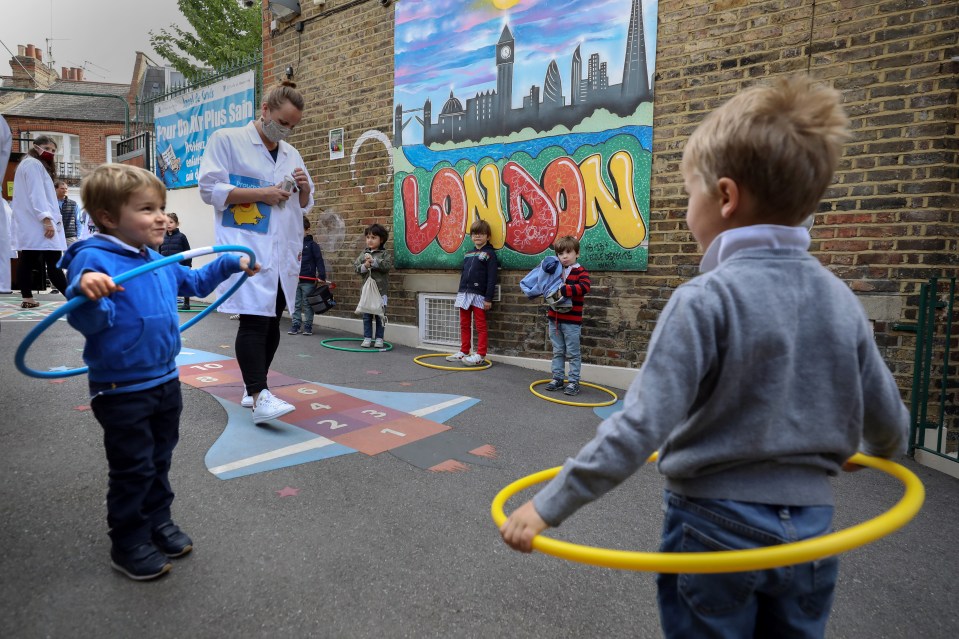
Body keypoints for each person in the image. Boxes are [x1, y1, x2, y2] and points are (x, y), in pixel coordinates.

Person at [499, 75, 910, 638]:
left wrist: (548, 506)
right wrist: (864, 451)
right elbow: (891, 425)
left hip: (715, 524)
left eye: (688, 194)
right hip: (812, 531)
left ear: (724, 197)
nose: (686, 210)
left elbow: (640, 426)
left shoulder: (704, 299)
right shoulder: (839, 299)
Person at [58, 164, 259, 580]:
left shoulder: (155, 259)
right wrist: (88, 292)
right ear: (110, 218)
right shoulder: (93, 260)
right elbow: (91, 322)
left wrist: (231, 264)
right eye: (147, 209)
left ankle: (157, 520)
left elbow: (197, 282)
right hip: (121, 386)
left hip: (166, 380)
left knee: (160, 458)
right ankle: (128, 540)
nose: (162, 217)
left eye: (162, 208)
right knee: (133, 466)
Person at [198, 81, 314, 424]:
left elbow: (305, 206)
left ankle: (254, 391)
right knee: (253, 318)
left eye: (292, 126)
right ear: (264, 110)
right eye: (282, 121)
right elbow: (209, 188)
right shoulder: (227, 140)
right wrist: (261, 193)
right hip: (246, 245)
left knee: (272, 318)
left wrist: (304, 189)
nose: (286, 130)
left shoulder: (291, 153)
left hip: (283, 250)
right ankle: (260, 393)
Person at [12, 135, 67, 308]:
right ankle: (74, 298)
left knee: (29, 259)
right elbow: (37, 194)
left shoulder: (27, 164)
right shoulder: (33, 165)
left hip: (32, 223)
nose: (50, 153)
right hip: (39, 223)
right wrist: (46, 219)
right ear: (36, 147)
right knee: (54, 260)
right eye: (47, 148)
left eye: (53, 150)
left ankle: (27, 298)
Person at [542, 236, 591, 396]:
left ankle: (573, 381)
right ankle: (557, 378)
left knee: (573, 352)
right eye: (560, 253)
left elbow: (585, 287)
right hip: (554, 319)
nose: (564, 256)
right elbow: (545, 285)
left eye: (568, 252)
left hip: (572, 321)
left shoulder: (580, 271)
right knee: (557, 350)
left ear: (577, 253)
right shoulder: (556, 270)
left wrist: (565, 289)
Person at [446, 220, 498, 366]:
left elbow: (492, 278)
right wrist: (461, 291)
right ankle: (464, 351)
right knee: (464, 323)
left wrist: (488, 298)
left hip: (479, 295)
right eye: (474, 234)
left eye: (481, 234)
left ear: (488, 236)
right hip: (465, 293)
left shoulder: (489, 254)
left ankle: (480, 354)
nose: (477, 237)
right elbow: (464, 274)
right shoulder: (468, 254)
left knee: (480, 325)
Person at [352, 223, 391, 348]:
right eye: (368, 237)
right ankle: (367, 337)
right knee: (367, 315)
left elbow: (387, 266)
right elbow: (356, 268)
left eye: (373, 237)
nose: (370, 240)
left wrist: (374, 262)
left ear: (381, 240)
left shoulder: (384, 254)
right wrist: (365, 266)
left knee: (380, 315)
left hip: (381, 291)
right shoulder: (363, 253)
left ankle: (379, 338)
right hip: (367, 292)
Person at [289, 216, 327, 336]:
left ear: (307, 230)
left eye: (301, 230)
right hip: (295, 279)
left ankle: (308, 326)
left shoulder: (312, 245)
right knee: (296, 303)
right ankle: (295, 324)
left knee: (307, 303)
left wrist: (322, 275)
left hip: (308, 280)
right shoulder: (293, 245)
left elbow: (319, 260)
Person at [159, 212, 192, 310]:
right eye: (166, 222)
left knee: (184, 283)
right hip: (166, 266)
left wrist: (188, 264)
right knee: (167, 284)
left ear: (177, 224)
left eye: (171, 222)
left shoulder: (181, 237)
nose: (168, 224)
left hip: (180, 265)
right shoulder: (162, 237)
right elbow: (159, 251)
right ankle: (169, 303)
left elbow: (188, 251)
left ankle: (186, 303)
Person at [56, 180, 80, 246]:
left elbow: (78, 221)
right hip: (55, 236)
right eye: (62, 188)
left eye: (66, 188)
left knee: (71, 256)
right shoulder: (51, 203)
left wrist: (78, 237)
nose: (65, 190)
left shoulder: (74, 204)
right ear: (56, 189)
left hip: (71, 237)